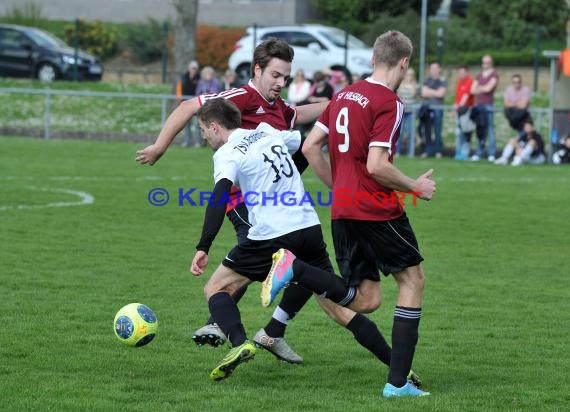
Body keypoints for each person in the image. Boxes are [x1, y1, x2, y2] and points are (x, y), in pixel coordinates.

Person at [135, 38, 403, 370]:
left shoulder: (278, 109)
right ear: (257, 69)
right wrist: (160, 146)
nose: (281, 83)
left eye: (286, 77)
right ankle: (221, 320)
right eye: (275, 75)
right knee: (270, 258)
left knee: (296, 269)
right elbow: (190, 107)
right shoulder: (241, 98)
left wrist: (342, 100)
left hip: (278, 204)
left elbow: (300, 118)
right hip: (245, 201)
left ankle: (266, 329)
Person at [192, 98, 421, 385]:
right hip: (307, 227)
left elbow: (219, 196)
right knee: (340, 310)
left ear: (214, 126)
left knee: (215, 287)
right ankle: (401, 371)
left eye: (202, 129)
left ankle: (240, 342)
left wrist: (203, 246)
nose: (203, 136)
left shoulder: (226, 152)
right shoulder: (267, 131)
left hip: (270, 235)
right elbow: (306, 145)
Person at [280, 30, 436, 398]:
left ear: (372, 59)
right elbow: (378, 164)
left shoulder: (343, 95)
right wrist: (415, 186)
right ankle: (397, 385)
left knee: (366, 299)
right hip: (375, 208)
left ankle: (298, 272)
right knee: (413, 281)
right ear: (404, 63)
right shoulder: (390, 102)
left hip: (344, 210)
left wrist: (340, 187)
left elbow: (310, 146)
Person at [471, 54, 499, 161]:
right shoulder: (479, 75)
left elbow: (489, 88)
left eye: (488, 62)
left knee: (491, 129)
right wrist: (482, 88)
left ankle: (491, 153)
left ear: (491, 63)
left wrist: (479, 87)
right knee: (480, 130)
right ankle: (479, 153)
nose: (486, 64)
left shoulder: (494, 74)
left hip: (488, 105)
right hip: (479, 105)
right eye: (484, 62)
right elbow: (472, 90)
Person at [420, 62, 447, 158]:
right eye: (432, 68)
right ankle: (428, 151)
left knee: (437, 131)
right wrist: (435, 92)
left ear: (439, 69)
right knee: (427, 131)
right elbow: (423, 93)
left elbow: (441, 94)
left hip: (438, 109)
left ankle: (438, 151)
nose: (433, 70)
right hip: (427, 109)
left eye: (435, 68)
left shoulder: (442, 80)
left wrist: (429, 91)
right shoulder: (427, 80)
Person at [452, 66, 475, 160]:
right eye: (459, 72)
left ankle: (465, 153)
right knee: (459, 132)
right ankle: (459, 152)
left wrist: (458, 107)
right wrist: (454, 108)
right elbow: (457, 97)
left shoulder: (469, 81)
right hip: (459, 110)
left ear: (467, 72)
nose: (461, 74)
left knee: (466, 131)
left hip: (466, 110)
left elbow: (466, 96)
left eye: (462, 72)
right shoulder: (459, 82)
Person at [175, 60, 201, 147]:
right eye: (192, 68)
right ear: (189, 69)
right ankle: (187, 141)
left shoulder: (199, 78)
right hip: (185, 104)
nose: (194, 70)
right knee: (186, 124)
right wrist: (180, 101)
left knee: (198, 124)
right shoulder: (184, 77)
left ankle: (198, 142)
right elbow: (179, 89)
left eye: (195, 68)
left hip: (196, 104)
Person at [396, 68, 417, 156]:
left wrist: (410, 86)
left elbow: (413, 94)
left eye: (410, 75)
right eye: (407, 74)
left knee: (410, 133)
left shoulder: (415, 85)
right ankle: (397, 151)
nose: (408, 76)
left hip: (411, 112)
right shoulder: (399, 84)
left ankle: (410, 152)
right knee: (399, 133)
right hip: (402, 111)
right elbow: (398, 95)